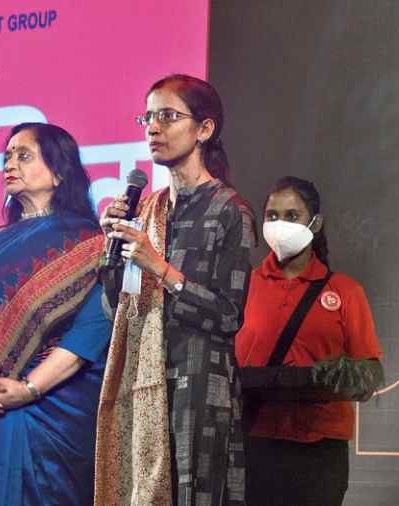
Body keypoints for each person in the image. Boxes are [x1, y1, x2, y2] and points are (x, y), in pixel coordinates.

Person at [95, 74, 253, 506]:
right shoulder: (147, 209)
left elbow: (228, 316)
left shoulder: (229, 211)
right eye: (147, 117)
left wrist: (161, 268)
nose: (152, 127)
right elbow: (116, 310)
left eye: (167, 116)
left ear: (205, 129)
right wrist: (109, 246)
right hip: (142, 382)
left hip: (198, 389)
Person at [0, 122, 110, 505]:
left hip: (52, 418)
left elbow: (91, 331)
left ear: (59, 172)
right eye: (8, 156)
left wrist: (28, 390)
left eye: (24, 155)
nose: (10, 164)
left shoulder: (92, 245)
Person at [235, 176, 384, 506]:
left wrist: (330, 377)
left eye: (292, 216)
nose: (280, 225)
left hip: (320, 450)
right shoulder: (243, 284)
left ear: (315, 223)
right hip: (255, 442)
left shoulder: (345, 291)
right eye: (272, 216)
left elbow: (369, 372)